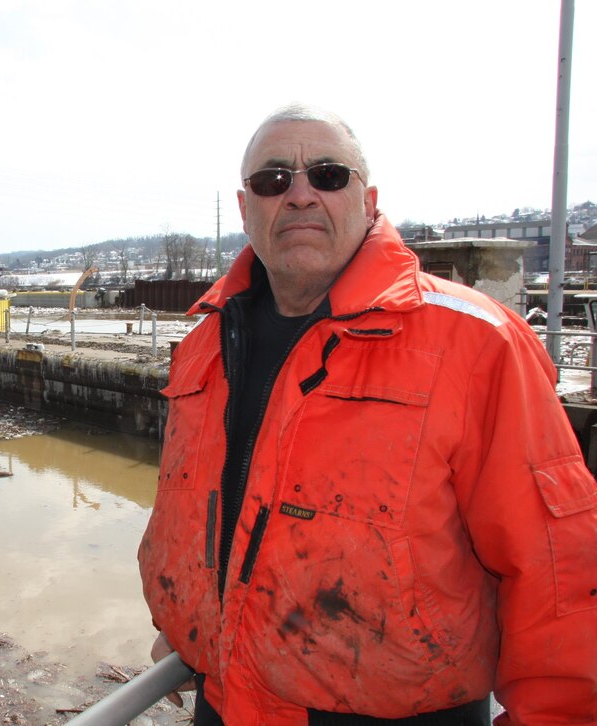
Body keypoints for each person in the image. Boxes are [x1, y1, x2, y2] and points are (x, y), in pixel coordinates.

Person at [138, 104, 597, 725]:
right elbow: (195, 513)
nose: (299, 194)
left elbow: (556, 571)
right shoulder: (204, 346)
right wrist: (189, 631)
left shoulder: (474, 344)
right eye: (273, 181)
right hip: (224, 702)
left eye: (327, 175)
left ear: (369, 199)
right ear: (246, 209)